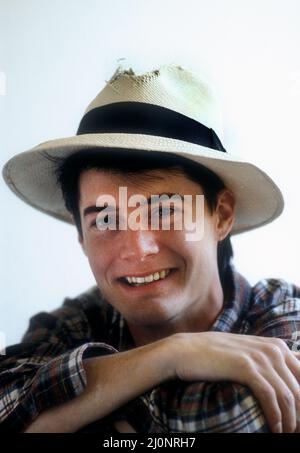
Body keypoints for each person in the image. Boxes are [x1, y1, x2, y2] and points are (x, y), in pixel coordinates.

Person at [1, 64, 300, 434]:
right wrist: (172, 355)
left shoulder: (285, 314)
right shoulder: (71, 324)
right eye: (105, 220)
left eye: (163, 212)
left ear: (221, 215)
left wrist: (82, 409)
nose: (138, 248)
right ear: (81, 235)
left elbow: (242, 416)